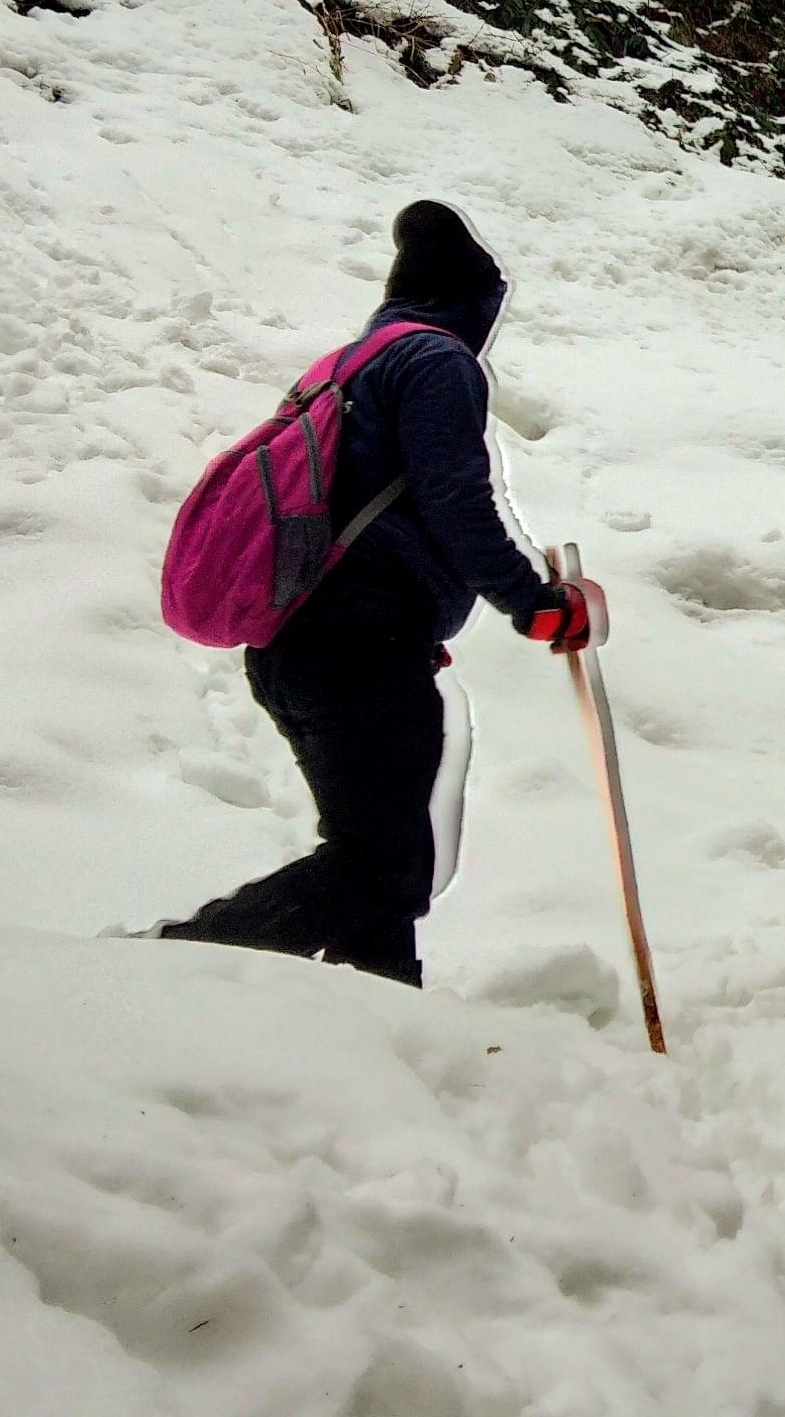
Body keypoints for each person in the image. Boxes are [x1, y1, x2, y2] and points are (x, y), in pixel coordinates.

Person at [157, 201, 586, 985]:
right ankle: (176, 967)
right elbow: (456, 502)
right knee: (382, 863)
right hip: (358, 641)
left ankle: (379, 1026)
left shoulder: (343, 366)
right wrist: (534, 602)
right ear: (470, 302)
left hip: (300, 642)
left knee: (382, 863)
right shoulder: (434, 361)